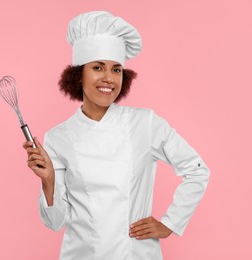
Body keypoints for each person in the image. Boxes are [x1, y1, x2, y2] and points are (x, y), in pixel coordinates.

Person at [23, 11, 210, 260]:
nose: (109, 79)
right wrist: (48, 181)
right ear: (79, 74)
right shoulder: (58, 138)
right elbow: (56, 223)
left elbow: (197, 170)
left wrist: (171, 223)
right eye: (98, 67)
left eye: (117, 69)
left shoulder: (145, 123)